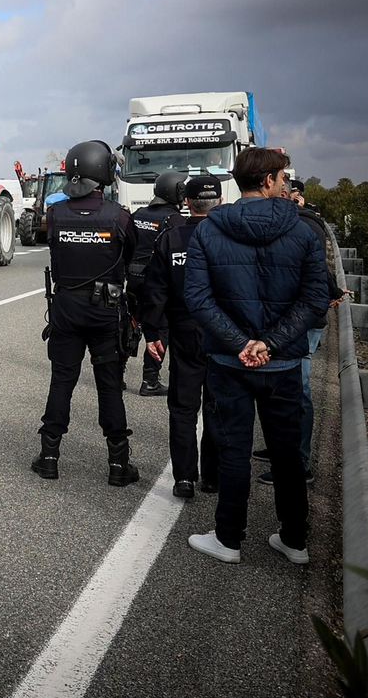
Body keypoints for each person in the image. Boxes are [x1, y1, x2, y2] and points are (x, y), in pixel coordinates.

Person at [184, 148, 328, 565]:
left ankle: (228, 539)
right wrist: (271, 344)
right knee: (286, 452)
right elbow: (315, 299)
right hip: (282, 364)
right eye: (282, 177)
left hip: (230, 363)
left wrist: (240, 343)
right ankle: (295, 540)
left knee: (233, 450)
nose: (285, 183)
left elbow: (198, 297)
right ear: (267, 181)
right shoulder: (301, 231)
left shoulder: (209, 230)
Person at [32, 140, 140, 486]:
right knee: (109, 386)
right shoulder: (119, 216)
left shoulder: (56, 214)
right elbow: (131, 255)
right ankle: (118, 464)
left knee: (61, 381)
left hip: (66, 307)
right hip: (105, 310)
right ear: (103, 173)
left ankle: (49, 458)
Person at [255, 181, 348, 485]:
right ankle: (282, 450)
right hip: (288, 319)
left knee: (299, 389)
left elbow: (318, 268)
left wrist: (329, 293)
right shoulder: (298, 222)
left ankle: (300, 462)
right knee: (281, 390)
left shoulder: (303, 226)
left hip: (303, 320)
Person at [142, 175, 221, 498]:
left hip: (184, 329)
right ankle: (213, 477)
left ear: (186, 202)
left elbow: (155, 289)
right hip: (223, 331)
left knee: (183, 407)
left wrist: (152, 331)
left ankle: (184, 477)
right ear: (218, 202)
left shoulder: (171, 237)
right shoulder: (229, 236)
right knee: (217, 405)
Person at [126, 170, 187, 396]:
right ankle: (150, 380)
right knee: (159, 328)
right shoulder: (177, 221)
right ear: (179, 193)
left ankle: (117, 374)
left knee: (130, 325)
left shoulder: (138, 213)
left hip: (132, 278)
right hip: (157, 283)